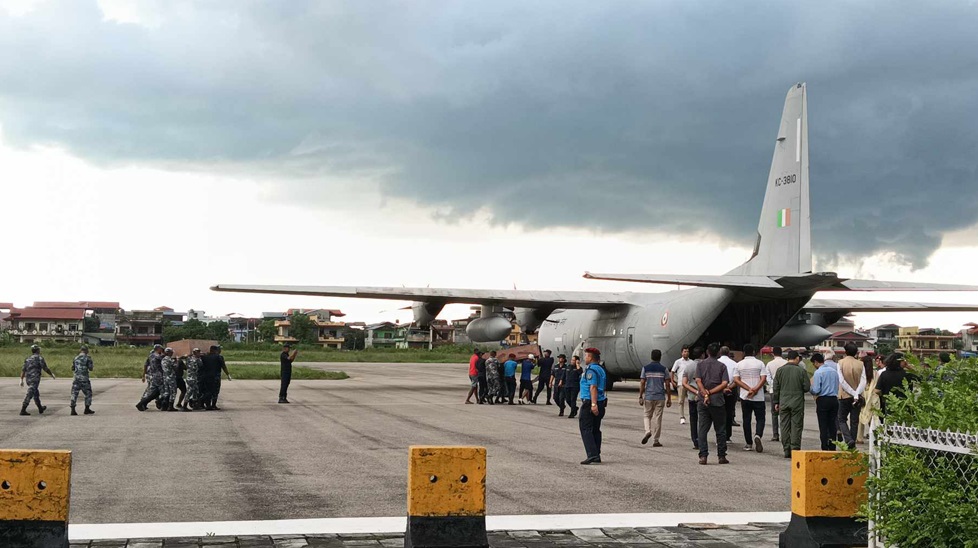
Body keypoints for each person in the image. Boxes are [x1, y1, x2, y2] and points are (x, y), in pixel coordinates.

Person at [695, 343, 729, 465]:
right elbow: (724, 383)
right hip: (718, 401)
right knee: (720, 430)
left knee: (703, 429)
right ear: (718, 353)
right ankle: (721, 456)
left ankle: (703, 456)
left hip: (703, 401)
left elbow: (698, 381)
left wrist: (704, 393)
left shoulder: (700, 365)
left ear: (707, 352)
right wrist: (710, 392)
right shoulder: (722, 366)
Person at [773, 350, 811, 458]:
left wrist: (776, 401)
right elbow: (806, 387)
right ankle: (795, 449)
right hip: (797, 402)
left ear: (787, 358)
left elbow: (776, 388)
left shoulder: (780, 371)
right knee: (796, 426)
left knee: (784, 426)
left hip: (783, 402)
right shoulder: (801, 371)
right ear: (797, 358)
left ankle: (786, 450)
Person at [733, 344, 766, 452]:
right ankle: (758, 435)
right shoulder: (760, 363)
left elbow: (736, 380)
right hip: (759, 397)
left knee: (746, 420)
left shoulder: (739, 364)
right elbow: (763, 378)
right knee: (760, 418)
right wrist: (755, 389)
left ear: (743, 353)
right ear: (753, 352)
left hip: (745, 396)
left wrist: (748, 389)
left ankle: (748, 443)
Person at [579, 347, 608, 464]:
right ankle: (596, 454)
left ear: (590, 357)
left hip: (590, 402)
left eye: (586, 356)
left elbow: (593, 387)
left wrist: (593, 404)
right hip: (601, 401)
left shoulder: (590, 370)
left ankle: (592, 454)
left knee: (585, 428)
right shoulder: (601, 369)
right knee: (596, 429)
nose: (585, 358)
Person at [836, 343, 867, 449]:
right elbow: (863, 381)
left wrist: (851, 392)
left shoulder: (840, 363)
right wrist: (856, 393)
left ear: (845, 352)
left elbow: (842, 381)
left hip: (844, 396)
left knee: (841, 419)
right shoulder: (860, 364)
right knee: (855, 421)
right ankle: (852, 442)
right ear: (856, 352)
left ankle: (848, 439)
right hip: (857, 397)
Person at [639, 349, 671, 447]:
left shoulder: (645, 368)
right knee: (658, 418)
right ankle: (656, 440)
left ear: (651, 357)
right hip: (660, 396)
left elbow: (642, 383)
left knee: (647, 415)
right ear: (660, 357)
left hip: (649, 396)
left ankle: (648, 431)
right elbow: (667, 384)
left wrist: (640, 396)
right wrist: (669, 397)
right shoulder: (664, 369)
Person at [810, 353, 839, 451]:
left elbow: (817, 390)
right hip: (834, 399)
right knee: (832, 424)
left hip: (823, 399)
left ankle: (824, 446)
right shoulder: (834, 371)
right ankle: (832, 445)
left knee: (823, 424)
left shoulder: (818, 373)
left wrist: (811, 389)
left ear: (816, 362)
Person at [20, 344, 55, 416]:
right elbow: (45, 368)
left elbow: (23, 370)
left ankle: (40, 408)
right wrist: (51, 374)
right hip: (34, 379)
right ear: (37, 350)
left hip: (28, 379)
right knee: (30, 393)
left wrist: (21, 380)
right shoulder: (39, 358)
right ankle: (23, 409)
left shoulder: (27, 359)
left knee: (35, 393)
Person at [875, 353, 912, 418]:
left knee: (890, 424)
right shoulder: (907, 374)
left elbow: (877, 390)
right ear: (899, 362)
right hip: (905, 403)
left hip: (890, 403)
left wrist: (884, 395)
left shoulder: (884, 374)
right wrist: (910, 368)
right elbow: (921, 379)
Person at [682, 347, 703, 449]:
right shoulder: (705, 366)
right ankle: (702, 439)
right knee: (703, 419)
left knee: (693, 419)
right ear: (702, 355)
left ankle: (695, 440)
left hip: (692, 396)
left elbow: (684, 383)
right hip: (704, 396)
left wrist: (694, 391)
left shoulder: (688, 367)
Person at [765, 346, 788, 442]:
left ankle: (775, 434)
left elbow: (768, 377)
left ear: (773, 354)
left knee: (774, 413)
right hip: (784, 390)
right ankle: (785, 434)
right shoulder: (786, 363)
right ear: (781, 353)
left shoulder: (770, 364)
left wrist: (773, 385)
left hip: (773, 391)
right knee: (784, 413)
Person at [718, 346, 739, 441]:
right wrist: (729, 387)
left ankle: (719, 433)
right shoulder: (735, 364)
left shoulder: (717, 362)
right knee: (729, 412)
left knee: (718, 412)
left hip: (718, 390)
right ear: (728, 353)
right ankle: (728, 435)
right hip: (731, 389)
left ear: (720, 353)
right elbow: (737, 379)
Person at [136, 345, 165, 412]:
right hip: (159, 376)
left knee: (152, 392)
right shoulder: (158, 356)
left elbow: (145, 365)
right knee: (163, 392)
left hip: (153, 376)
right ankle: (160, 403)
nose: (162, 350)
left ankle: (142, 403)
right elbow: (165, 358)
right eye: (161, 349)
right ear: (158, 349)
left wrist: (144, 375)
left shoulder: (150, 356)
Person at [671, 345, 695, 425]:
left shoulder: (692, 362)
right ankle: (682, 417)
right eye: (685, 351)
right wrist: (673, 380)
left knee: (692, 400)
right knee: (681, 401)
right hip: (681, 383)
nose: (686, 353)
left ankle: (693, 416)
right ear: (682, 353)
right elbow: (673, 371)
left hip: (690, 384)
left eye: (687, 351)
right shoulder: (678, 361)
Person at [70, 345, 95, 416]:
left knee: (74, 393)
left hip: (76, 378)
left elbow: (72, 368)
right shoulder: (88, 358)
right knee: (88, 393)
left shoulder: (75, 358)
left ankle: (73, 409)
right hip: (84, 379)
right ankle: (87, 408)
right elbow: (91, 368)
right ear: (86, 350)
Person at [856, 355, 876, 443]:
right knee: (872, 418)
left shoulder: (860, 373)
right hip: (872, 398)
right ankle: (875, 437)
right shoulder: (875, 373)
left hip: (862, 397)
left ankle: (859, 438)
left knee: (860, 417)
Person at [161, 347, 178, 412]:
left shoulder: (163, 359)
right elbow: (176, 367)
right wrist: (177, 360)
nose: (172, 353)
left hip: (165, 377)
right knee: (173, 392)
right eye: (171, 352)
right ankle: (170, 406)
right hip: (171, 377)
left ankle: (163, 405)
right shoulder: (170, 360)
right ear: (169, 352)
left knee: (166, 392)